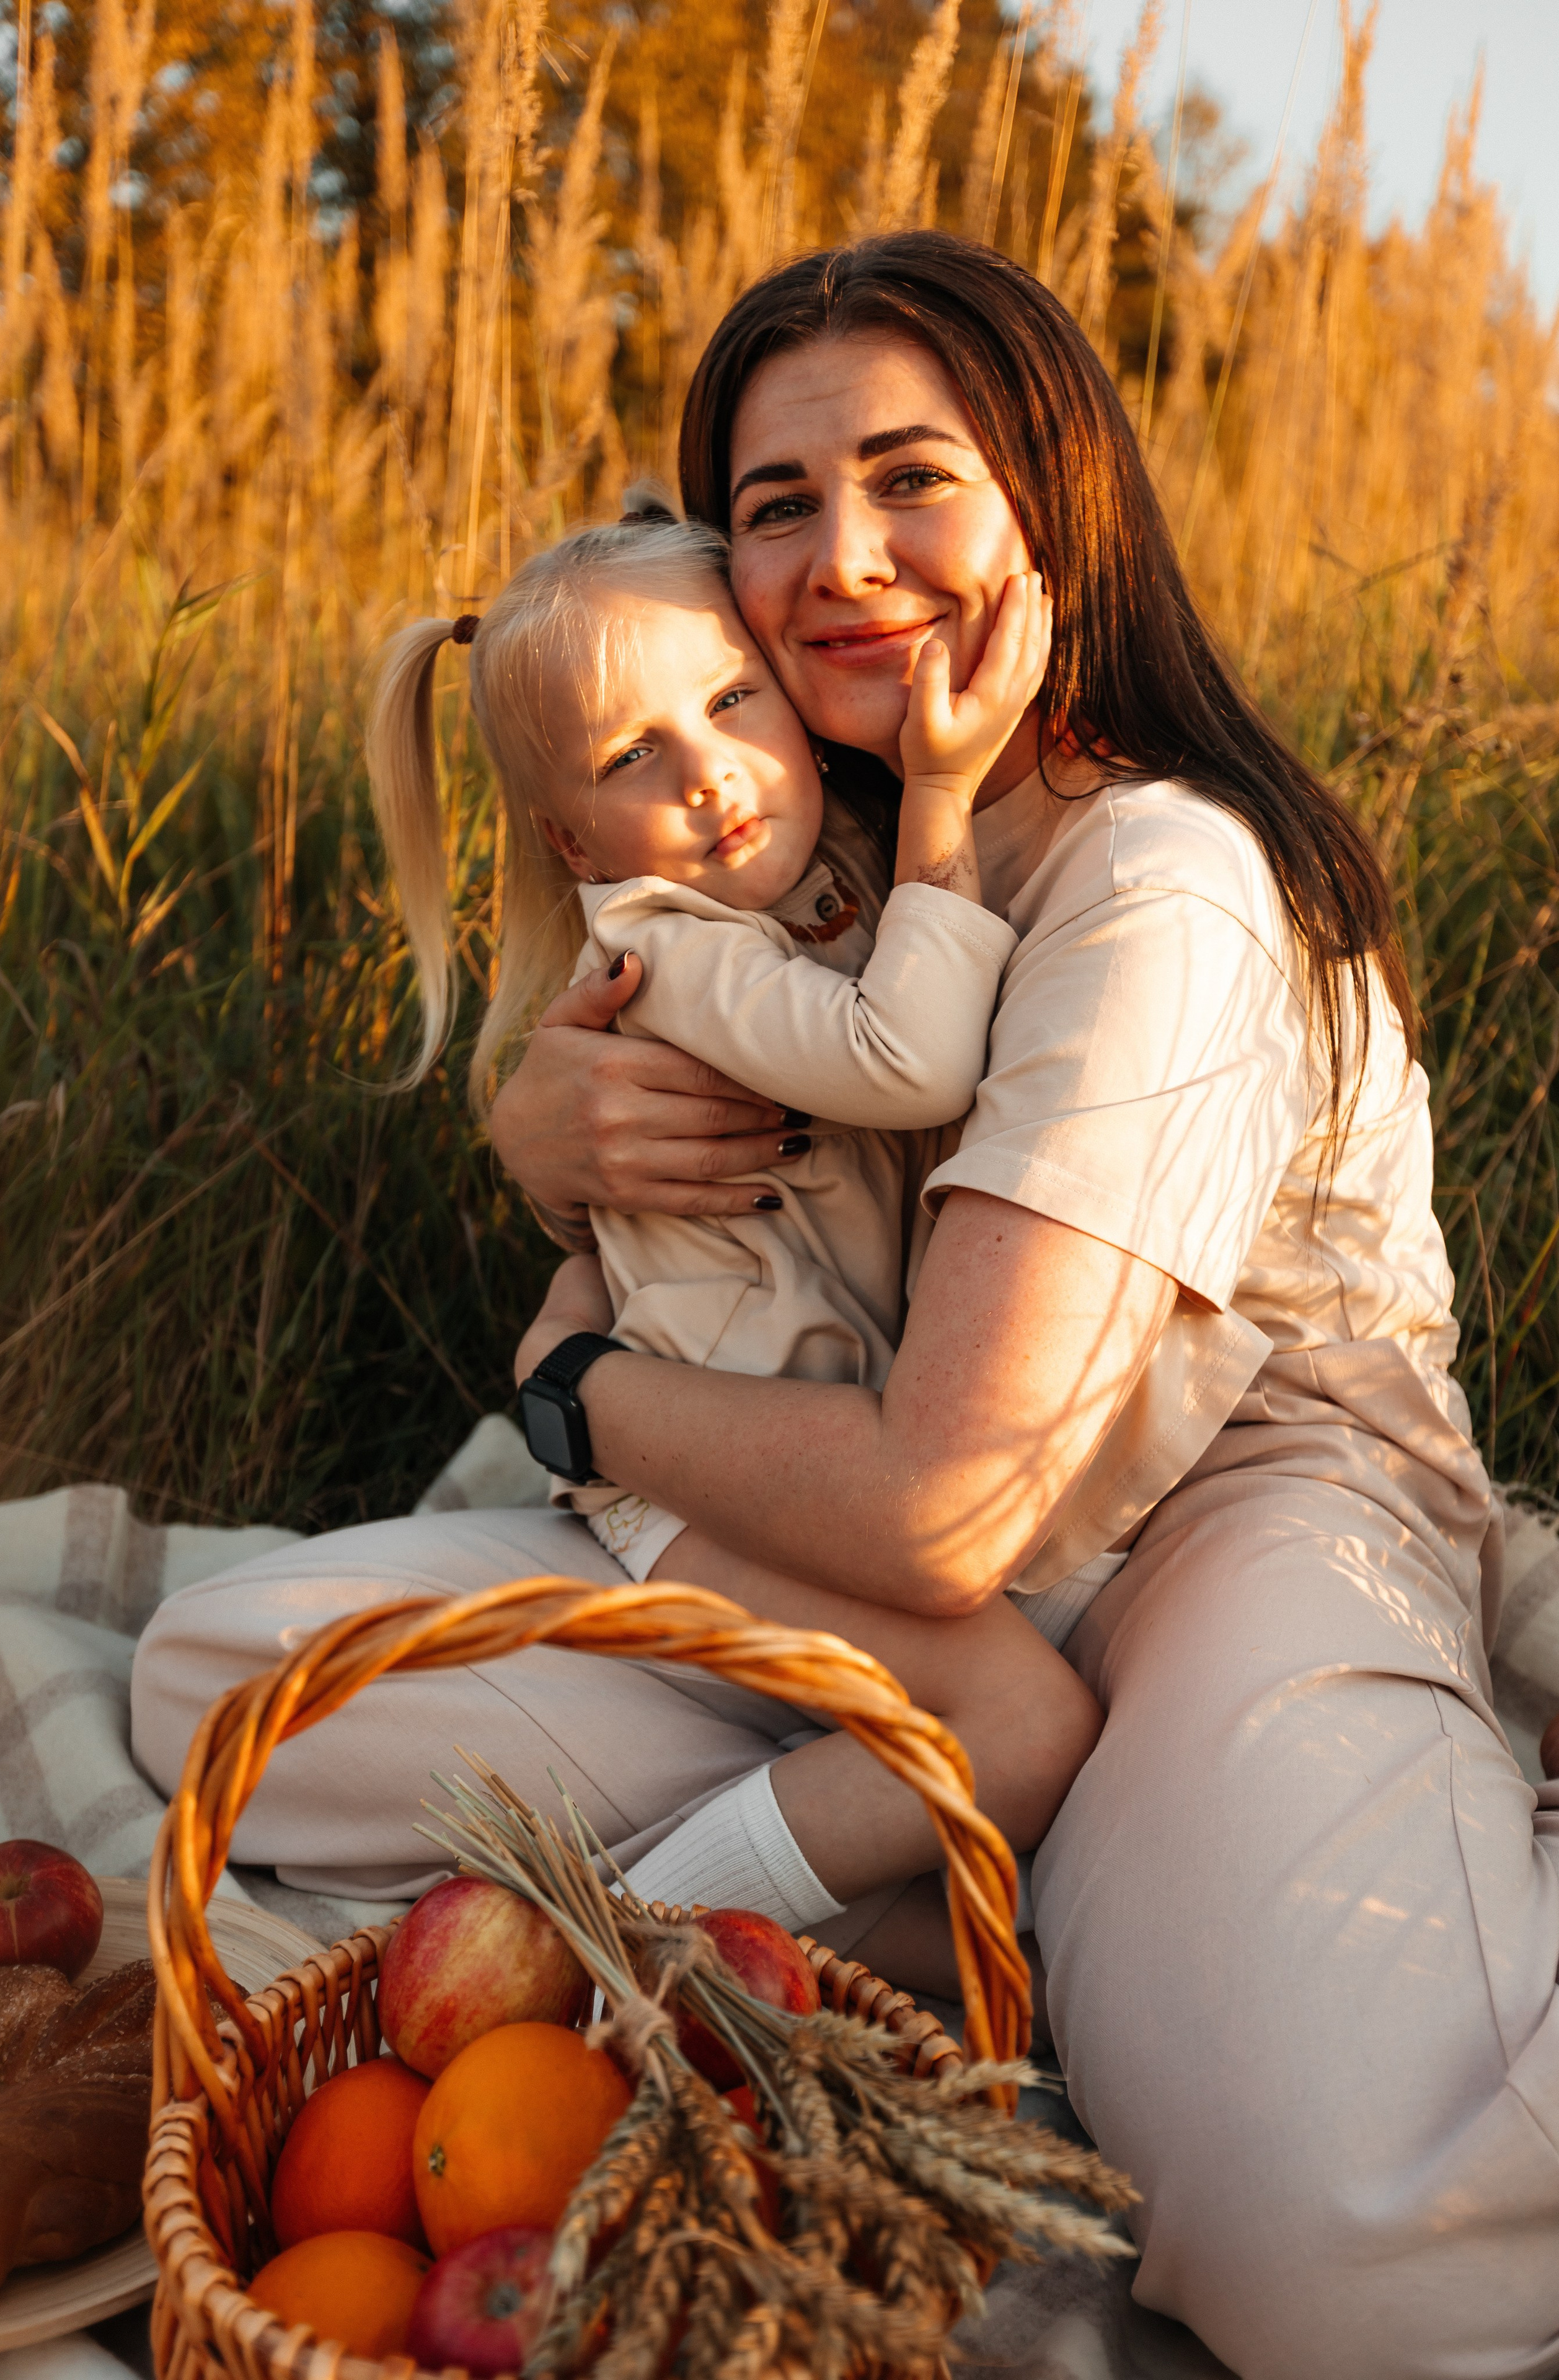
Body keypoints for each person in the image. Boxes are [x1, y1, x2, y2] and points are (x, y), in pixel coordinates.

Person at [131, 234, 1554, 2379]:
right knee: (215, 1685)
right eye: (779, 505)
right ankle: (1004, 1893)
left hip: (1211, 1507)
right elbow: (761, 1219)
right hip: (905, 1563)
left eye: (914, 480)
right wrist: (554, 1138)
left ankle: (1069, 1883)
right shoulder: (804, 848)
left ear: (1054, 502)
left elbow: (941, 1507)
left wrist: (574, 1390)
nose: (845, 558)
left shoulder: (1150, 875)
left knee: (1371, 2256)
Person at [357, 489, 1097, 1924]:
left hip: (799, 1450)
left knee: (995, 1731)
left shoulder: (814, 878)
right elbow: (911, 1056)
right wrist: (945, 799)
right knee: (1022, 1729)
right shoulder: (670, 944)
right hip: (693, 1472)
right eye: (637, 755)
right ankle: (632, 1943)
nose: (709, 775)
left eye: (730, 699)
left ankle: (770, 1922)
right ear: (575, 848)